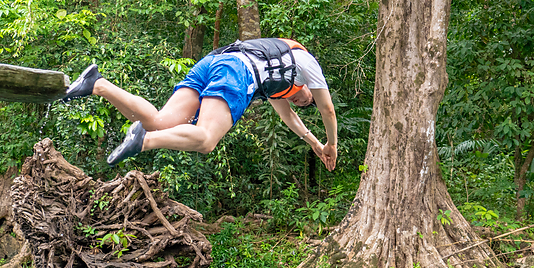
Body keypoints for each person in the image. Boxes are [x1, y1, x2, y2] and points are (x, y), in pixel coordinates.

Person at [62, 37, 338, 169]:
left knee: (158, 121)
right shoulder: (305, 63)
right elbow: (327, 109)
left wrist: (316, 144)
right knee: (206, 140)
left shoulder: (279, 85)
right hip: (235, 70)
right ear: (308, 87)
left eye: (301, 103)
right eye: (306, 100)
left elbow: (289, 117)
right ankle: (143, 141)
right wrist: (332, 145)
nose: (302, 102)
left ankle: (98, 84)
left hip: (214, 63)